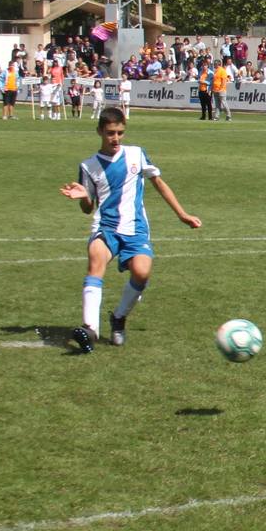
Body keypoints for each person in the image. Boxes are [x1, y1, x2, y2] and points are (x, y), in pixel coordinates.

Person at [58, 107, 203, 352]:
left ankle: (118, 318)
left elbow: (159, 183)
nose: (115, 138)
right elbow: (87, 208)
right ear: (99, 132)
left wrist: (183, 214)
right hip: (106, 227)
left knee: (142, 273)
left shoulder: (136, 154)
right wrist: (83, 197)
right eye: (110, 133)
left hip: (136, 229)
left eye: (120, 133)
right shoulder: (88, 166)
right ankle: (90, 329)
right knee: (96, 260)